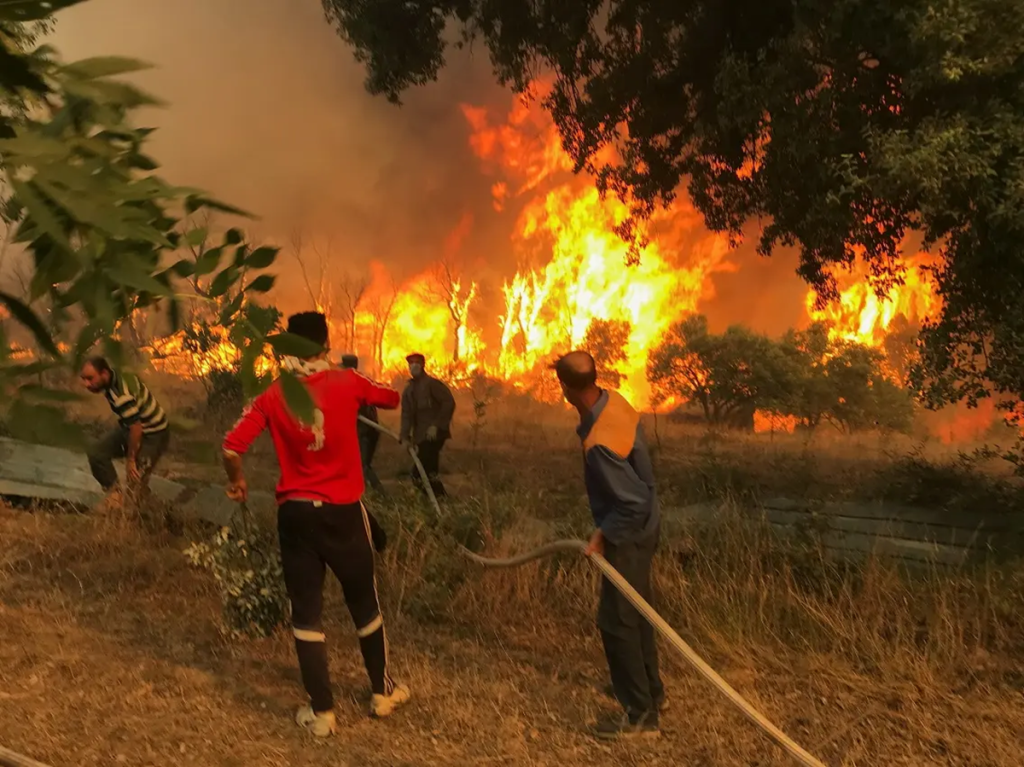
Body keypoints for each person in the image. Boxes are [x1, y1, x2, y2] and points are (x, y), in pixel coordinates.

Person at [221, 312, 410, 737]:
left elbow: (231, 447)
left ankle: (322, 713)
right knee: (364, 602)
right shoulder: (348, 382)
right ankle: (382, 692)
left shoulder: (272, 396)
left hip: (296, 515)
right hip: (344, 512)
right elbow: (392, 397)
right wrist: (352, 378)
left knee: (306, 612)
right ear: (325, 345)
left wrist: (238, 483)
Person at [552, 350, 665, 740]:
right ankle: (651, 692)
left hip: (630, 532)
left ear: (566, 388)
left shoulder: (600, 443)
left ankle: (640, 716)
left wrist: (602, 535)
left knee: (617, 622)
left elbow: (630, 502)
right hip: (646, 523)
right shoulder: (613, 400)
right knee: (638, 613)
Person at [79, 356, 170, 509]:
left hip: (153, 434)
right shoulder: (114, 378)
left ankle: (148, 513)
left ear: (105, 374)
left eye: (90, 378)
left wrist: (131, 459)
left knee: (135, 480)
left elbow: (137, 428)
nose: (86, 384)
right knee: (97, 454)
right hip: (130, 427)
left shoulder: (121, 396)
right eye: (84, 379)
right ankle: (115, 495)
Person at [399, 352, 455, 498]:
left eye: (417, 363)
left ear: (423, 365)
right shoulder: (409, 390)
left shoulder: (432, 384)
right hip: (420, 436)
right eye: (411, 363)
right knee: (429, 473)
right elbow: (406, 415)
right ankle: (440, 501)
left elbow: (448, 403)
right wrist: (404, 437)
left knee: (419, 475)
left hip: (434, 436)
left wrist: (436, 425)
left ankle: (439, 499)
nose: (414, 366)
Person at [340, 354, 385, 496]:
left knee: (362, 466)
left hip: (365, 431)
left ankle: (381, 495)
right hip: (366, 430)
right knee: (357, 464)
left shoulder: (354, 382)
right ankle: (363, 494)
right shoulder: (362, 381)